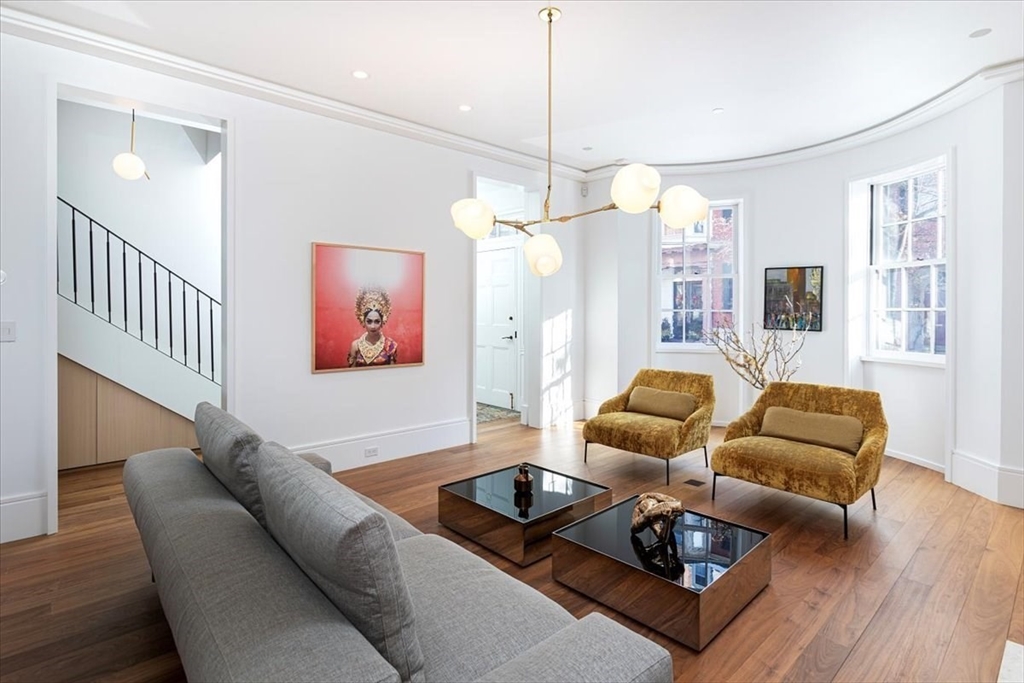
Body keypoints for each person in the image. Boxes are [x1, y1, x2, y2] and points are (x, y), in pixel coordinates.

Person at [347, 286, 399, 367]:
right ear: (363, 321)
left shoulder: (390, 345)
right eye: (369, 321)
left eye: (377, 321)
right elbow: (350, 373)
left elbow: (393, 373)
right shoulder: (356, 345)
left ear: (382, 322)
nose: (373, 326)